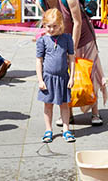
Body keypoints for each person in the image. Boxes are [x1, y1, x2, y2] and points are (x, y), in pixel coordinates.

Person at [29, 0, 107, 127]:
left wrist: (72, 46)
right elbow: (51, 23)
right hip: (63, 40)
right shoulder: (42, 2)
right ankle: (68, 114)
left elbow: (77, 22)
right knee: (65, 76)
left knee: (89, 74)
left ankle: (95, 113)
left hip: (84, 38)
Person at [37, 9, 77, 143]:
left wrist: (72, 77)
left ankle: (66, 130)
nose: (52, 29)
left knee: (64, 105)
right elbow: (39, 61)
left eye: (55, 26)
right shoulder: (42, 40)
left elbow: (71, 58)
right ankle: (48, 130)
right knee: (48, 105)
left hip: (63, 78)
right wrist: (40, 80)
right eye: (49, 26)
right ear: (44, 25)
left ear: (61, 24)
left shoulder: (66, 39)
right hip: (48, 78)